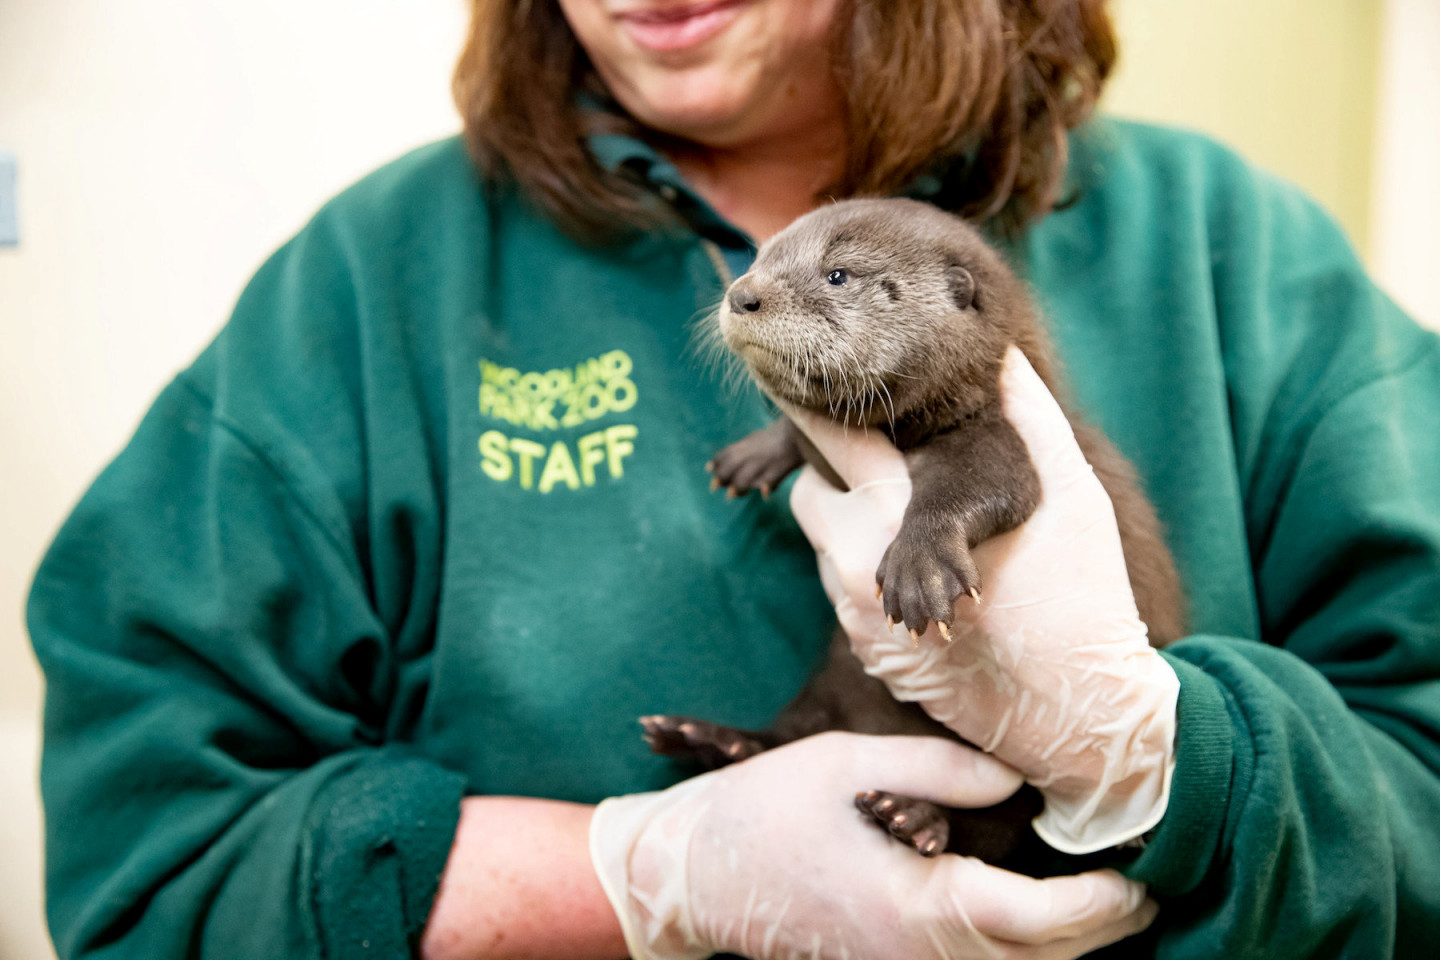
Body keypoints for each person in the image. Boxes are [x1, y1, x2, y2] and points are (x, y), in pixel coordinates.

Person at [26, 0, 1440, 958]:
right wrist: (645, 874)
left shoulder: (1233, 256)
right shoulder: (373, 280)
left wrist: (1171, 763)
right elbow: (152, 859)